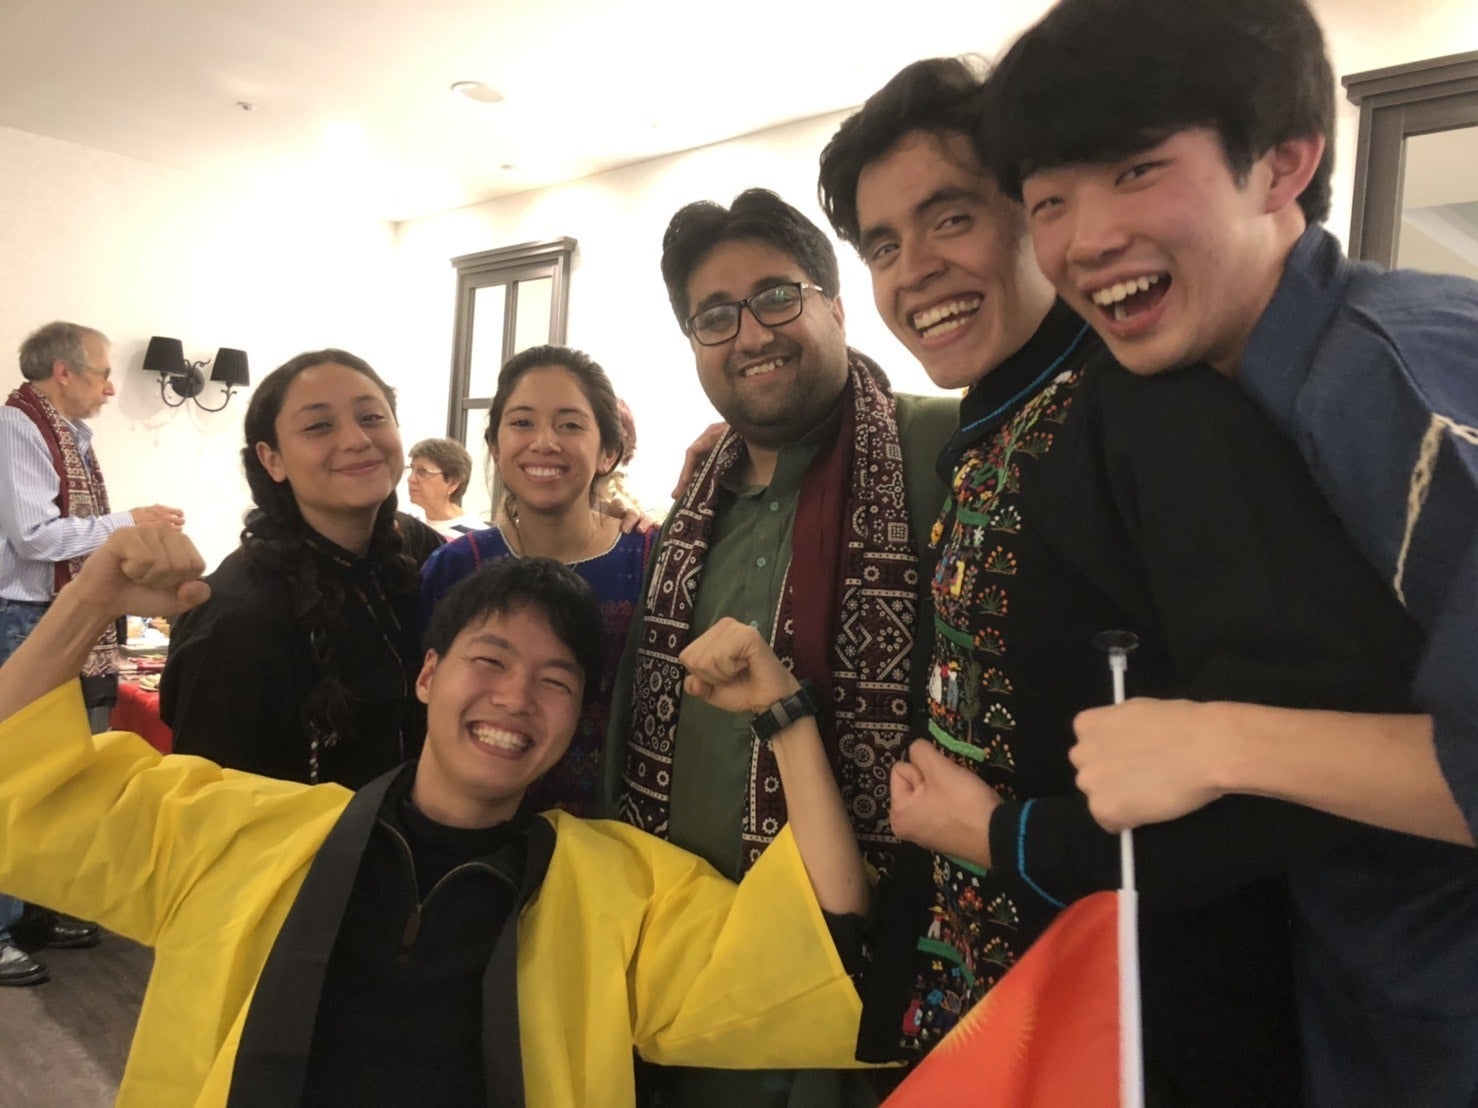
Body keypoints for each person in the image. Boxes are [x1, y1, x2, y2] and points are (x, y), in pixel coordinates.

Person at [814, 53, 1425, 1103]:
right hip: (997, 1012)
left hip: (1140, 1029)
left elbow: (1299, 785)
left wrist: (1001, 837)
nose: (913, 270)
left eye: (950, 218)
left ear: (1032, 215)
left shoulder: (1157, 412)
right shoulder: (986, 425)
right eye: (881, 245)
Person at [983, 0, 1478, 1101]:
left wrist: (1216, 742)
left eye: (1136, 170)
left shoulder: (1395, 382)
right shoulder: (1216, 391)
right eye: (1049, 200)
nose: (1084, 240)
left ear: (1283, 163)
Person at [0, 526, 871, 1106]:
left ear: (575, 720)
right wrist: (87, 600)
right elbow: (18, 785)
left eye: (555, 681)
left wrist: (785, 715)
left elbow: (824, 953)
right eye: (488, 660)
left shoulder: (619, 889)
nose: (516, 698)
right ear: (426, 676)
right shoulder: (236, 830)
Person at [604, 188, 955, 1106]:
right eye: (715, 316)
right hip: (686, 978)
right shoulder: (690, 513)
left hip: (876, 977)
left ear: (835, 306)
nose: (750, 333)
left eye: (776, 296)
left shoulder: (942, 450)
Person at [0, 320, 184, 986]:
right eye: (104, 373)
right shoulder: (17, 429)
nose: (110, 388)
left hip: (53, 613)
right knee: (19, 769)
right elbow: (35, 537)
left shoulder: (67, 434)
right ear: (64, 372)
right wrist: (128, 524)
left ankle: (36, 909)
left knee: (63, 770)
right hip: (23, 616)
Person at [161, 349, 425, 788]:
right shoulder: (237, 613)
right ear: (272, 459)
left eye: (372, 417)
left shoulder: (414, 555)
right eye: (319, 426)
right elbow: (208, 799)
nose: (357, 439)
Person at [420, 345, 653, 818]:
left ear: (608, 452)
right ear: (494, 445)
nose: (544, 442)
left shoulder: (656, 560)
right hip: (474, 830)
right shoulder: (456, 566)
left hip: (621, 834)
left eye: (570, 425)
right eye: (522, 422)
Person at [406, 436, 484, 538]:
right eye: (412, 469)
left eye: (422, 471)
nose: (410, 479)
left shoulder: (475, 538)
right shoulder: (411, 526)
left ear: (453, 483)